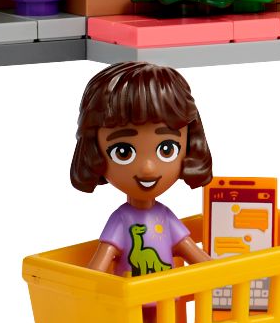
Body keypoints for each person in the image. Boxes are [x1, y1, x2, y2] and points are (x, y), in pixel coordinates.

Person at [69, 62, 212, 274]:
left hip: (168, 294)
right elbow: (99, 266)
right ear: (94, 151)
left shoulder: (164, 217)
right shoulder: (121, 219)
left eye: (166, 149)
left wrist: (224, 273)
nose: (148, 168)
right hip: (130, 294)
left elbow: (193, 253)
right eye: (123, 152)